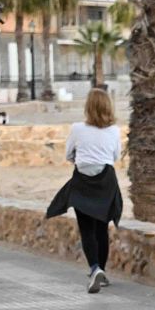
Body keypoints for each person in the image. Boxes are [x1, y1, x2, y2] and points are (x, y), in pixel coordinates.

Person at [45, 88, 123, 294]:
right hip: (106, 181)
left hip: (83, 181)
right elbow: (115, 155)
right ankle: (102, 271)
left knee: (86, 228)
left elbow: (68, 154)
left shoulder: (77, 128)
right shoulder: (114, 130)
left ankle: (94, 268)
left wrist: (82, 161)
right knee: (101, 228)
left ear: (88, 107)